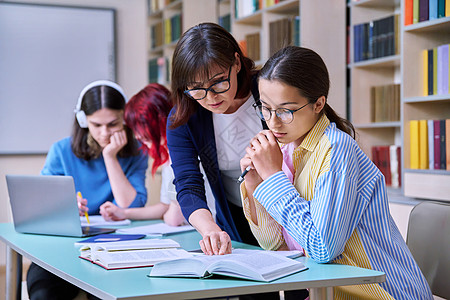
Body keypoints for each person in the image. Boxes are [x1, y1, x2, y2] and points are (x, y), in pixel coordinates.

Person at [240, 46, 433, 300]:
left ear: (318, 103)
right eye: (265, 107)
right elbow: (278, 246)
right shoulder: (284, 152)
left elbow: (323, 248)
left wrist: (274, 178)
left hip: (383, 294)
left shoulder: (336, 149)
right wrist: (256, 186)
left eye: (285, 110)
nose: (272, 121)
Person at [26, 80, 148, 300]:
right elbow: (40, 208)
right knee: (42, 294)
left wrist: (109, 156)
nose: (104, 133)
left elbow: (132, 205)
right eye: (96, 125)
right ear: (83, 121)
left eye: (113, 124)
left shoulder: (137, 151)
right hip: (62, 250)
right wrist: (64, 206)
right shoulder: (62, 150)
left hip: (116, 251)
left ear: (125, 119)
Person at [99, 83, 187, 226]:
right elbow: (165, 206)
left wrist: (168, 216)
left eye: (142, 126)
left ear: (162, 120)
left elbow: (174, 217)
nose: (138, 136)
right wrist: (124, 213)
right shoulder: (167, 156)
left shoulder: (182, 152)